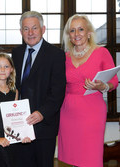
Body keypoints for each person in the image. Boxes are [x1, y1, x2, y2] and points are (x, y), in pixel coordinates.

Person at [58, 14, 119, 167]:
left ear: (89, 32)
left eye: (81, 29)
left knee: (90, 157)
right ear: (68, 35)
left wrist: (102, 86)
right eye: (72, 30)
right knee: (73, 158)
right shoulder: (64, 57)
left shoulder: (101, 52)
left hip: (92, 111)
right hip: (68, 112)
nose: (76, 34)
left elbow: (114, 82)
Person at [11, 11, 66, 167]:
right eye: (26, 29)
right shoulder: (16, 53)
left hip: (44, 126)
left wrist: (42, 113)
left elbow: (58, 91)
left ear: (43, 29)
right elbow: (14, 86)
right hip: (19, 125)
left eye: (34, 28)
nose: (30, 33)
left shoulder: (56, 55)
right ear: (21, 32)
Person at [0, 53, 31, 167]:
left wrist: (23, 135)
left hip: (11, 140)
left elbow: (16, 118)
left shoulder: (15, 92)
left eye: (6, 66)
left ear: (11, 69)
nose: (2, 70)